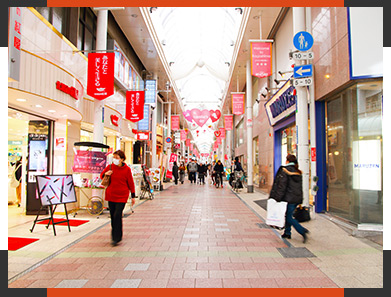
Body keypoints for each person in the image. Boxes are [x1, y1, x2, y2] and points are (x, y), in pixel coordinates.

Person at [269, 154, 309, 243]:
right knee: (288, 215)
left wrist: (277, 198)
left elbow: (282, 186)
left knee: (289, 217)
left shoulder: (285, 171)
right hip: (296, 198)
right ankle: (287, 233)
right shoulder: (298, 171)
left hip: (289, 198)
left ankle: (302, 231)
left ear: (287, 161)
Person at [100, 150, 136, 246]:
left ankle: (117, 236)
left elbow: (131, 183)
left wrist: (133, 196)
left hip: (122, 196)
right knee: (113, 215)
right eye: (114, 157)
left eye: (117, 158)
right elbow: (101, 176)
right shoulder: (110, 167)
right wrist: (106, 174)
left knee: (117, 215)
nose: (115, 159)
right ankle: (114, 235)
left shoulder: (127, 169)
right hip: (111, 195)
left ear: (122, 159)